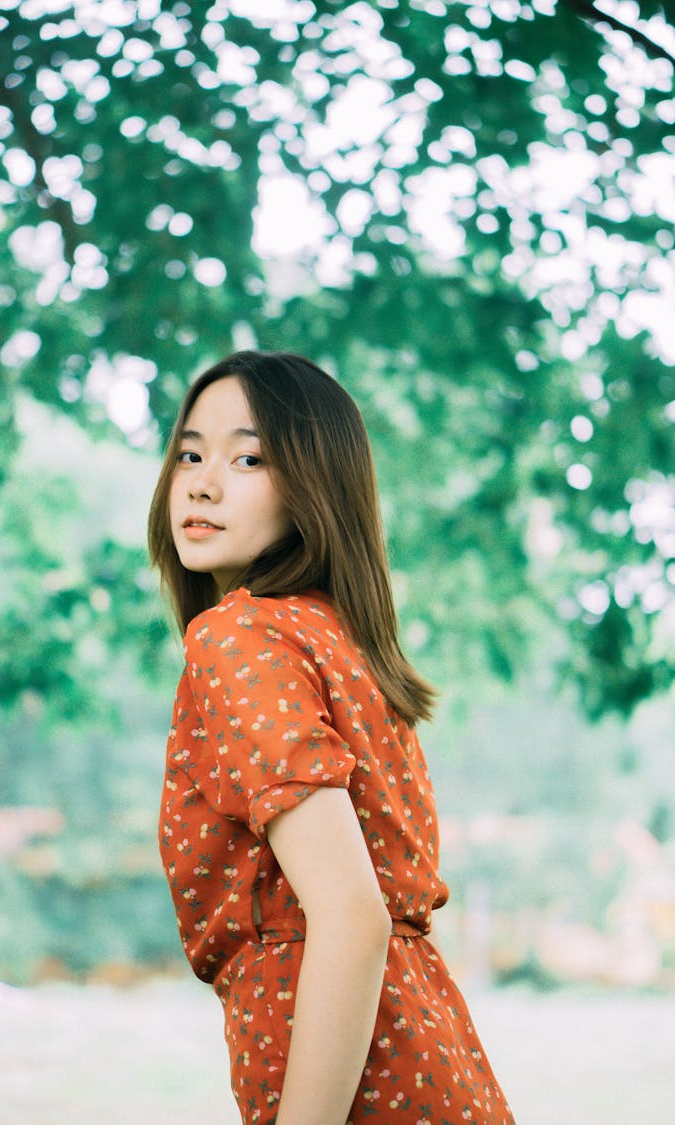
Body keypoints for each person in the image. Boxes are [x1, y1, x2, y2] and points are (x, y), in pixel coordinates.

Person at [148, 351, 515, 1125]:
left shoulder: (238, 637)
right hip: (433, 1056)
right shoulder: (337, 642)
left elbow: (352, 913)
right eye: (190, 452)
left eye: (249, 457)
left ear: (315, 485)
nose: (203, 481)